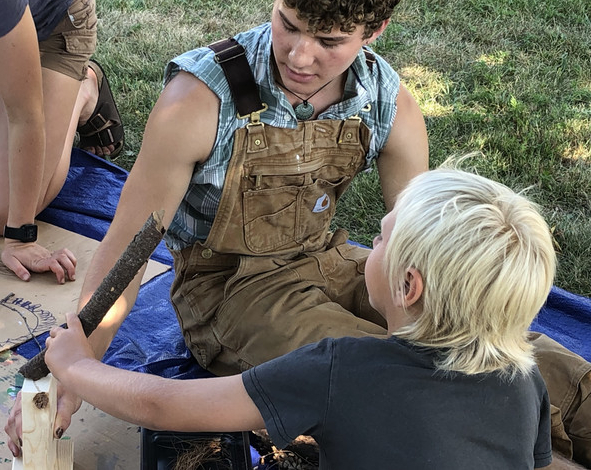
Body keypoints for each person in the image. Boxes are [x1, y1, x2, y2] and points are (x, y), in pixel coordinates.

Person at [5, 0, 591, 464]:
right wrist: (75, 366)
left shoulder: (389, 103)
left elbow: (421, 244)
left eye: (331, 40)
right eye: (289, 24)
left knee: (543, 364)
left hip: (335, 263)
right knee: (391, 382)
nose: (301, 55)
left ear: (374, 29)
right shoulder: (198, 99)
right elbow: (128, 249)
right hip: (230, 294)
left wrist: (471, 324)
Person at [42, 168, 560, 469]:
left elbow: (164, 405)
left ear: (408, 286)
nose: (368, 246)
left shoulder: (341, 367)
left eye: (378, 239)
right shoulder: (526, 380)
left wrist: (76, 365)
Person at [0, 0, 124, 283]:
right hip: (3, 21)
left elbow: (26, 116)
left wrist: (19, 237)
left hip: (55, 24)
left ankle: (83, 91)